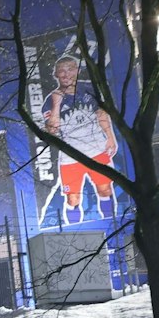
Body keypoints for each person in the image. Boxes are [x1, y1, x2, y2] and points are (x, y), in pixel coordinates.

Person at [42, 55, 118, 224]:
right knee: (73, 199)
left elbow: (101, 113)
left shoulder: (90, 89)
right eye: (62, 71)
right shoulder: (50, 100)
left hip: (97, 149)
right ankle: (75, 229)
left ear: (77, 71)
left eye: (70, 69)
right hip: (70, 156)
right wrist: (56, 104)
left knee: (105, 190)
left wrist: (110, 137)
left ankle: (111, 224)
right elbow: (52, 130)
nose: (66, 74)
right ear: (56, 74)